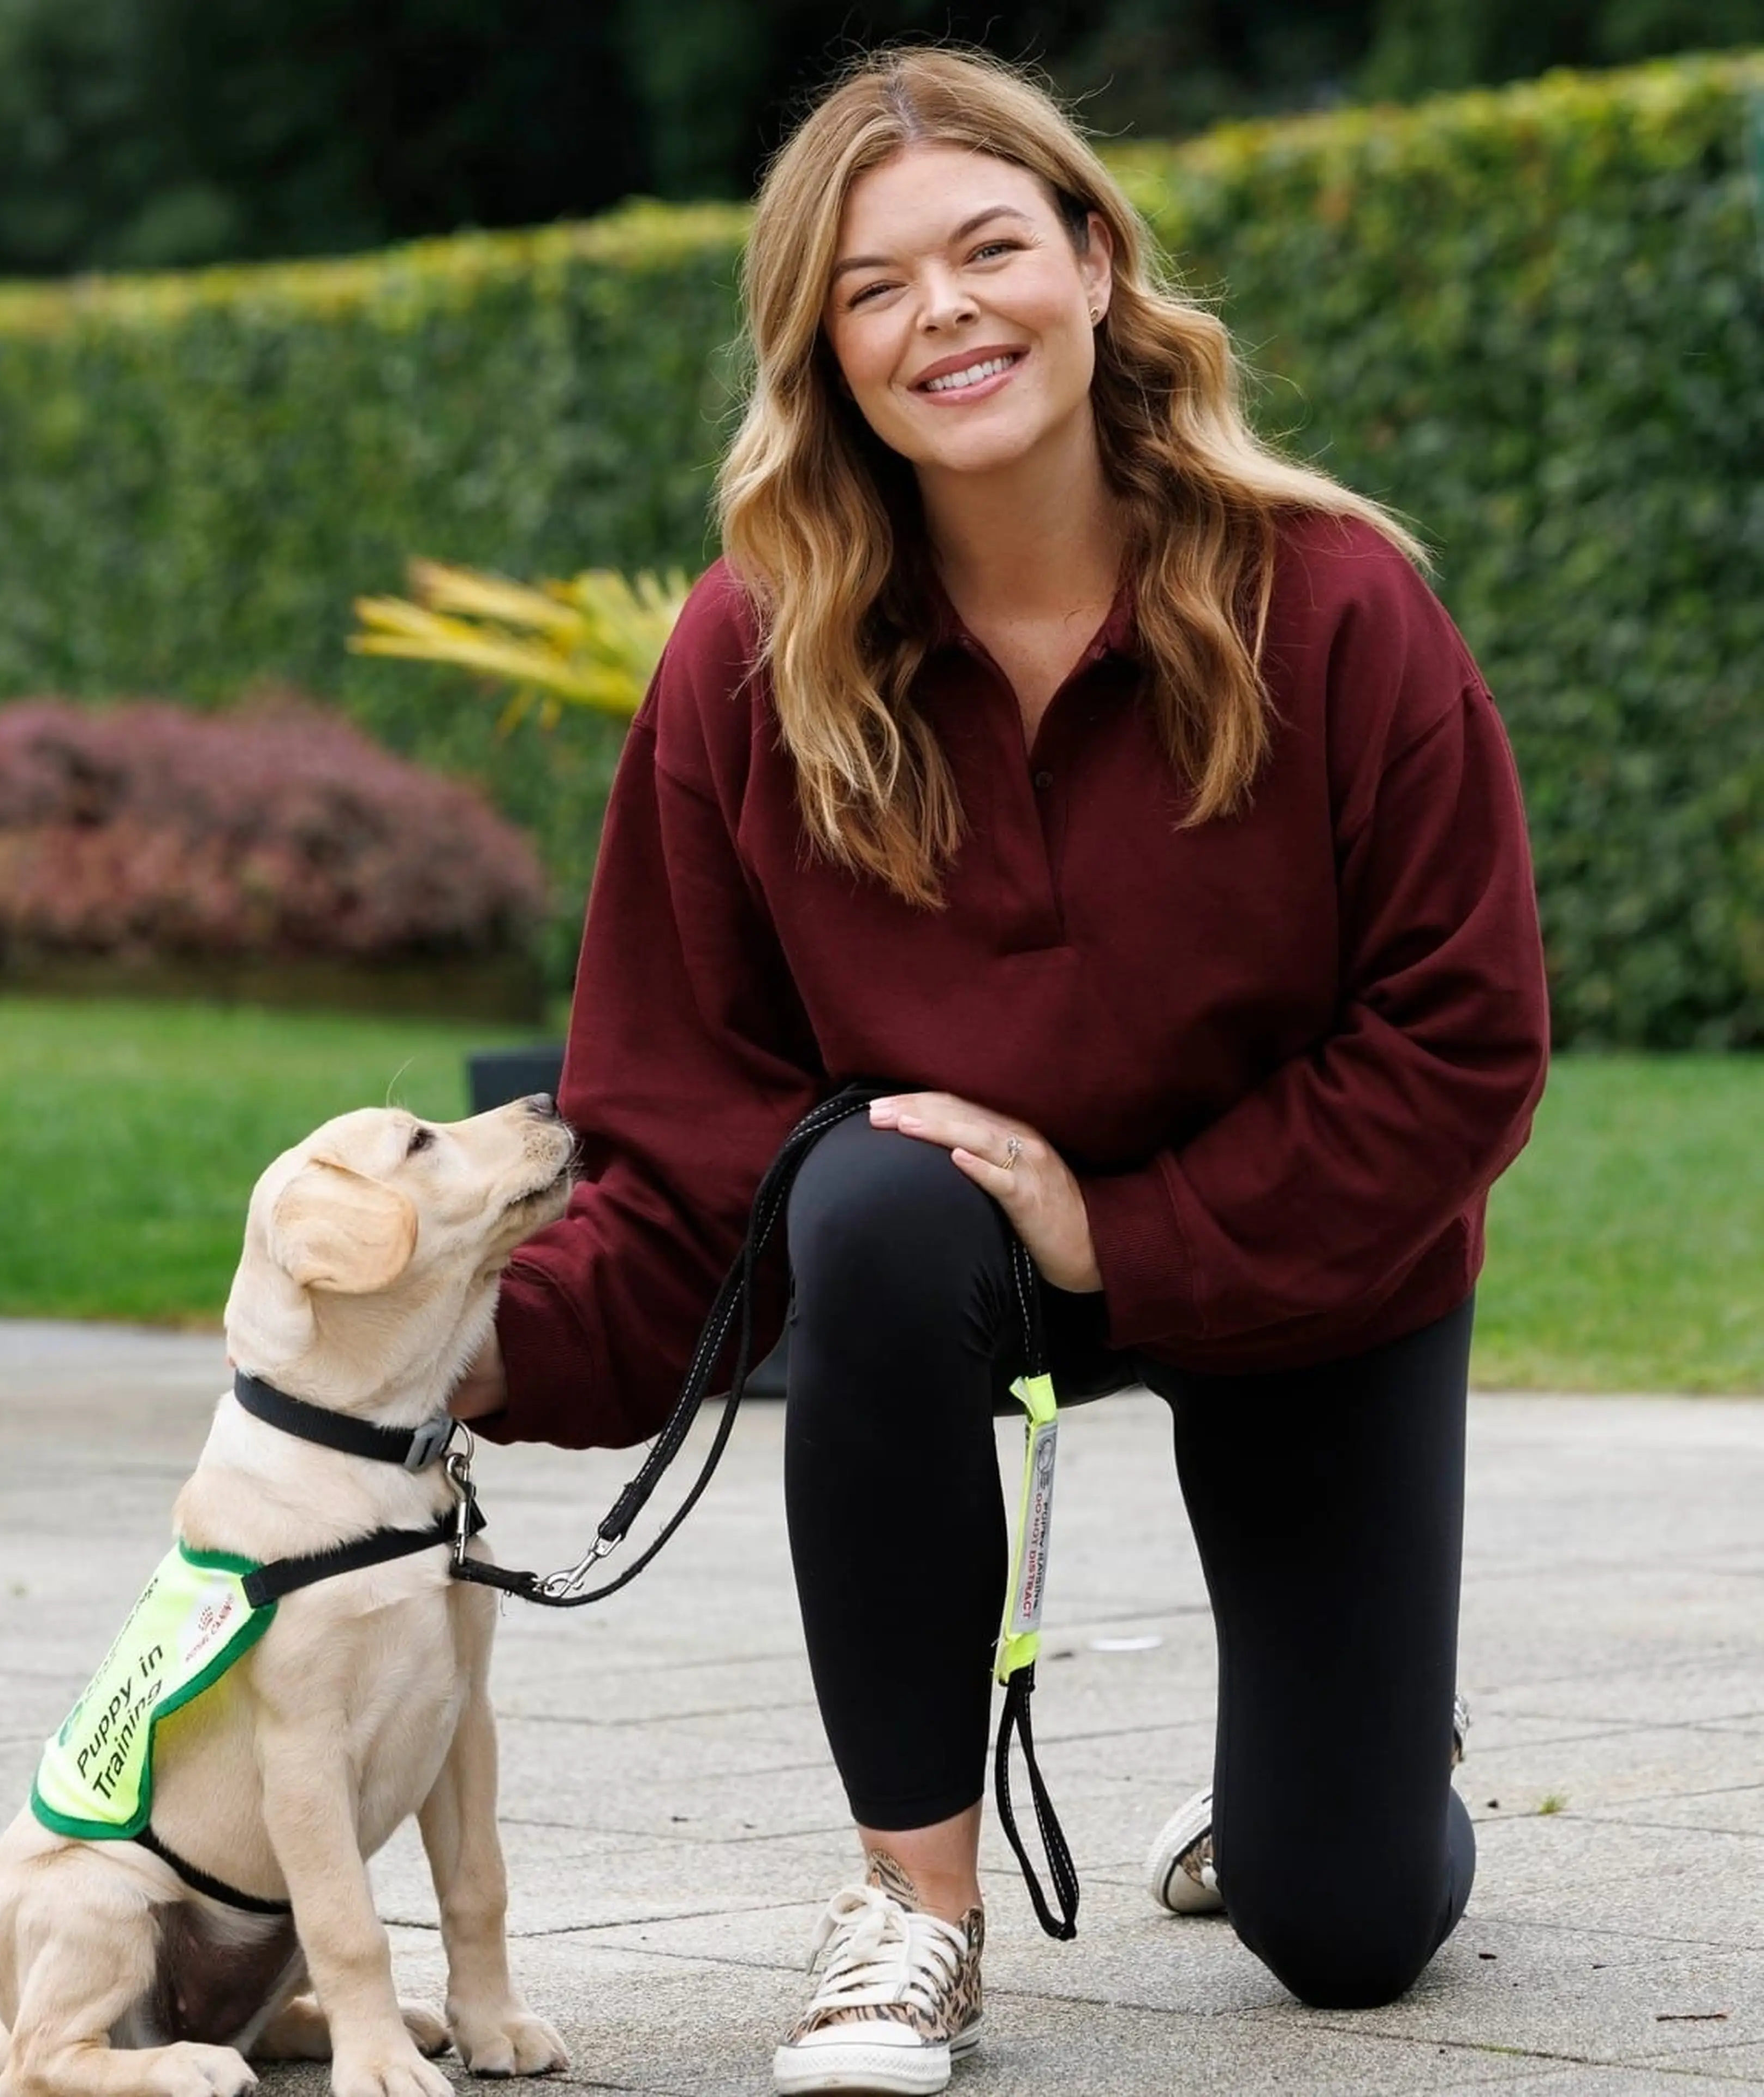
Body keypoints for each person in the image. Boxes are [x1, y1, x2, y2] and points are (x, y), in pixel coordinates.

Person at [449, 43, 1548, 2096]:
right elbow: (693, 1127)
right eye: (874, 287)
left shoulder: (1339, 607)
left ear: (1098, 266)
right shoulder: (749, 661)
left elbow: (1461, 1043)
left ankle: (1362, 1759)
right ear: (826, 355)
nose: (942, 311)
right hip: (947, 1248)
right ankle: (912, 1908)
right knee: (863, 1190)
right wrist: (458, 1359)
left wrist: (1128, 1228)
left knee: (1347, 1928)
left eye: (987, 249)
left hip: (1312, 1253)